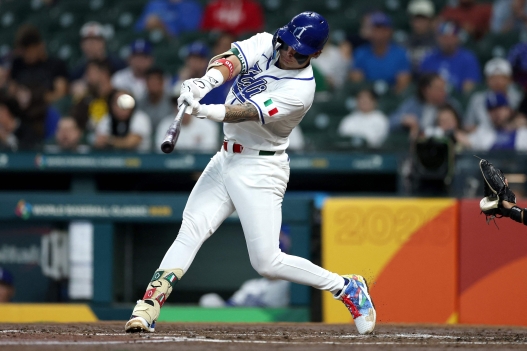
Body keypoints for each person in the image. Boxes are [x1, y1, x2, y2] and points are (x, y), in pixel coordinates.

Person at [125, 12, 376, 335]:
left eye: (298, 51)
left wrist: (206, 110)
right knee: (191, 229)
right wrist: (206, 82)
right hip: (226, 157)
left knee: (267, 262)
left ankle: (346, 287)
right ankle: (148, 307)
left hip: (261, 167)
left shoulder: (302, 91)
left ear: (315, 55)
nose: (287, 52)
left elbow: (248, 112)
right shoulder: (265, 42)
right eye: (287, 43)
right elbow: (230, 61)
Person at [349, 12, 411, 94]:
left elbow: (403, 85)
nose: (379, 33)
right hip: (368, 97)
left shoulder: (400, 54)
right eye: (376, 28)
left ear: (389, 31)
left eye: (383, 29)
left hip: (392, 97)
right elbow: (357, 82)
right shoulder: (361, 53)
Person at [9, 24, 69, 104]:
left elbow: (60, 94)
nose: (26, 55)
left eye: (29, 50)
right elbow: (12, 92)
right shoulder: (18, 64)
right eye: (24, 52)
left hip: (48, 111)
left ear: (40, 46)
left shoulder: (56, 64)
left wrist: (34, 97)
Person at [389, 73, 462, 138]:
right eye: (439, 89)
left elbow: (461, 126)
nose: (443, 92)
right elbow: (392, 121)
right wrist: (404, 119)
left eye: (444, 88)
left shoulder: (451, 104)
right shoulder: (414, 103)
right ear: (426, 90)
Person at [419, 21, 481, 93]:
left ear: (457, 38)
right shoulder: (428, 58)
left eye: (451, 37)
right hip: (431, 99)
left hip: (458, 99)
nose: (448, 41)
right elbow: (423, 86)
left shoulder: (468, 59)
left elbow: (469, 88)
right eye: (444, 37)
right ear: (438, 38)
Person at [464, 58, 522, 132]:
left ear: (509, 79)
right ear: (487, 80)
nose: (497, 82)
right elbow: (468, 125)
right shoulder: (477, 100)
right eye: (493, 78)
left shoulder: (518, 98)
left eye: (501, 78)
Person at [456, 92, 527, 151]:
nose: (496, 113)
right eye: (492, 110)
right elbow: (462, 138)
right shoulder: (483, 132)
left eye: (499, 108)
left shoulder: (522, 131)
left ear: (508, 109)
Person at [155, 90, 219, 152]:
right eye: (177, 103)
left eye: (186, 103)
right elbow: (162, 155)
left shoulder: (208, 126)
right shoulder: (164, 125)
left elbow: (207, 155)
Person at [71, 59, 117, 142]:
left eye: (90, 73)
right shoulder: (85, 99)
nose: (87, 77)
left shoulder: (118, 97)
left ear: (104, 73)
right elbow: (76, 123)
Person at [135, 0, 203, 38]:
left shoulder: (191, 6)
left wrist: (162, 26)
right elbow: (139, 28)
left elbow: (189, 34)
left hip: (174, 44)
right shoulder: (155, 4)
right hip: (150, 41)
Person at [405, 0, 437, 74]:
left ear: (431, 21)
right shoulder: (403, 43)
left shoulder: (438, 43)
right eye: (416, 19)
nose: (419, 23)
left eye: (423, 19)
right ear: (411, 21)